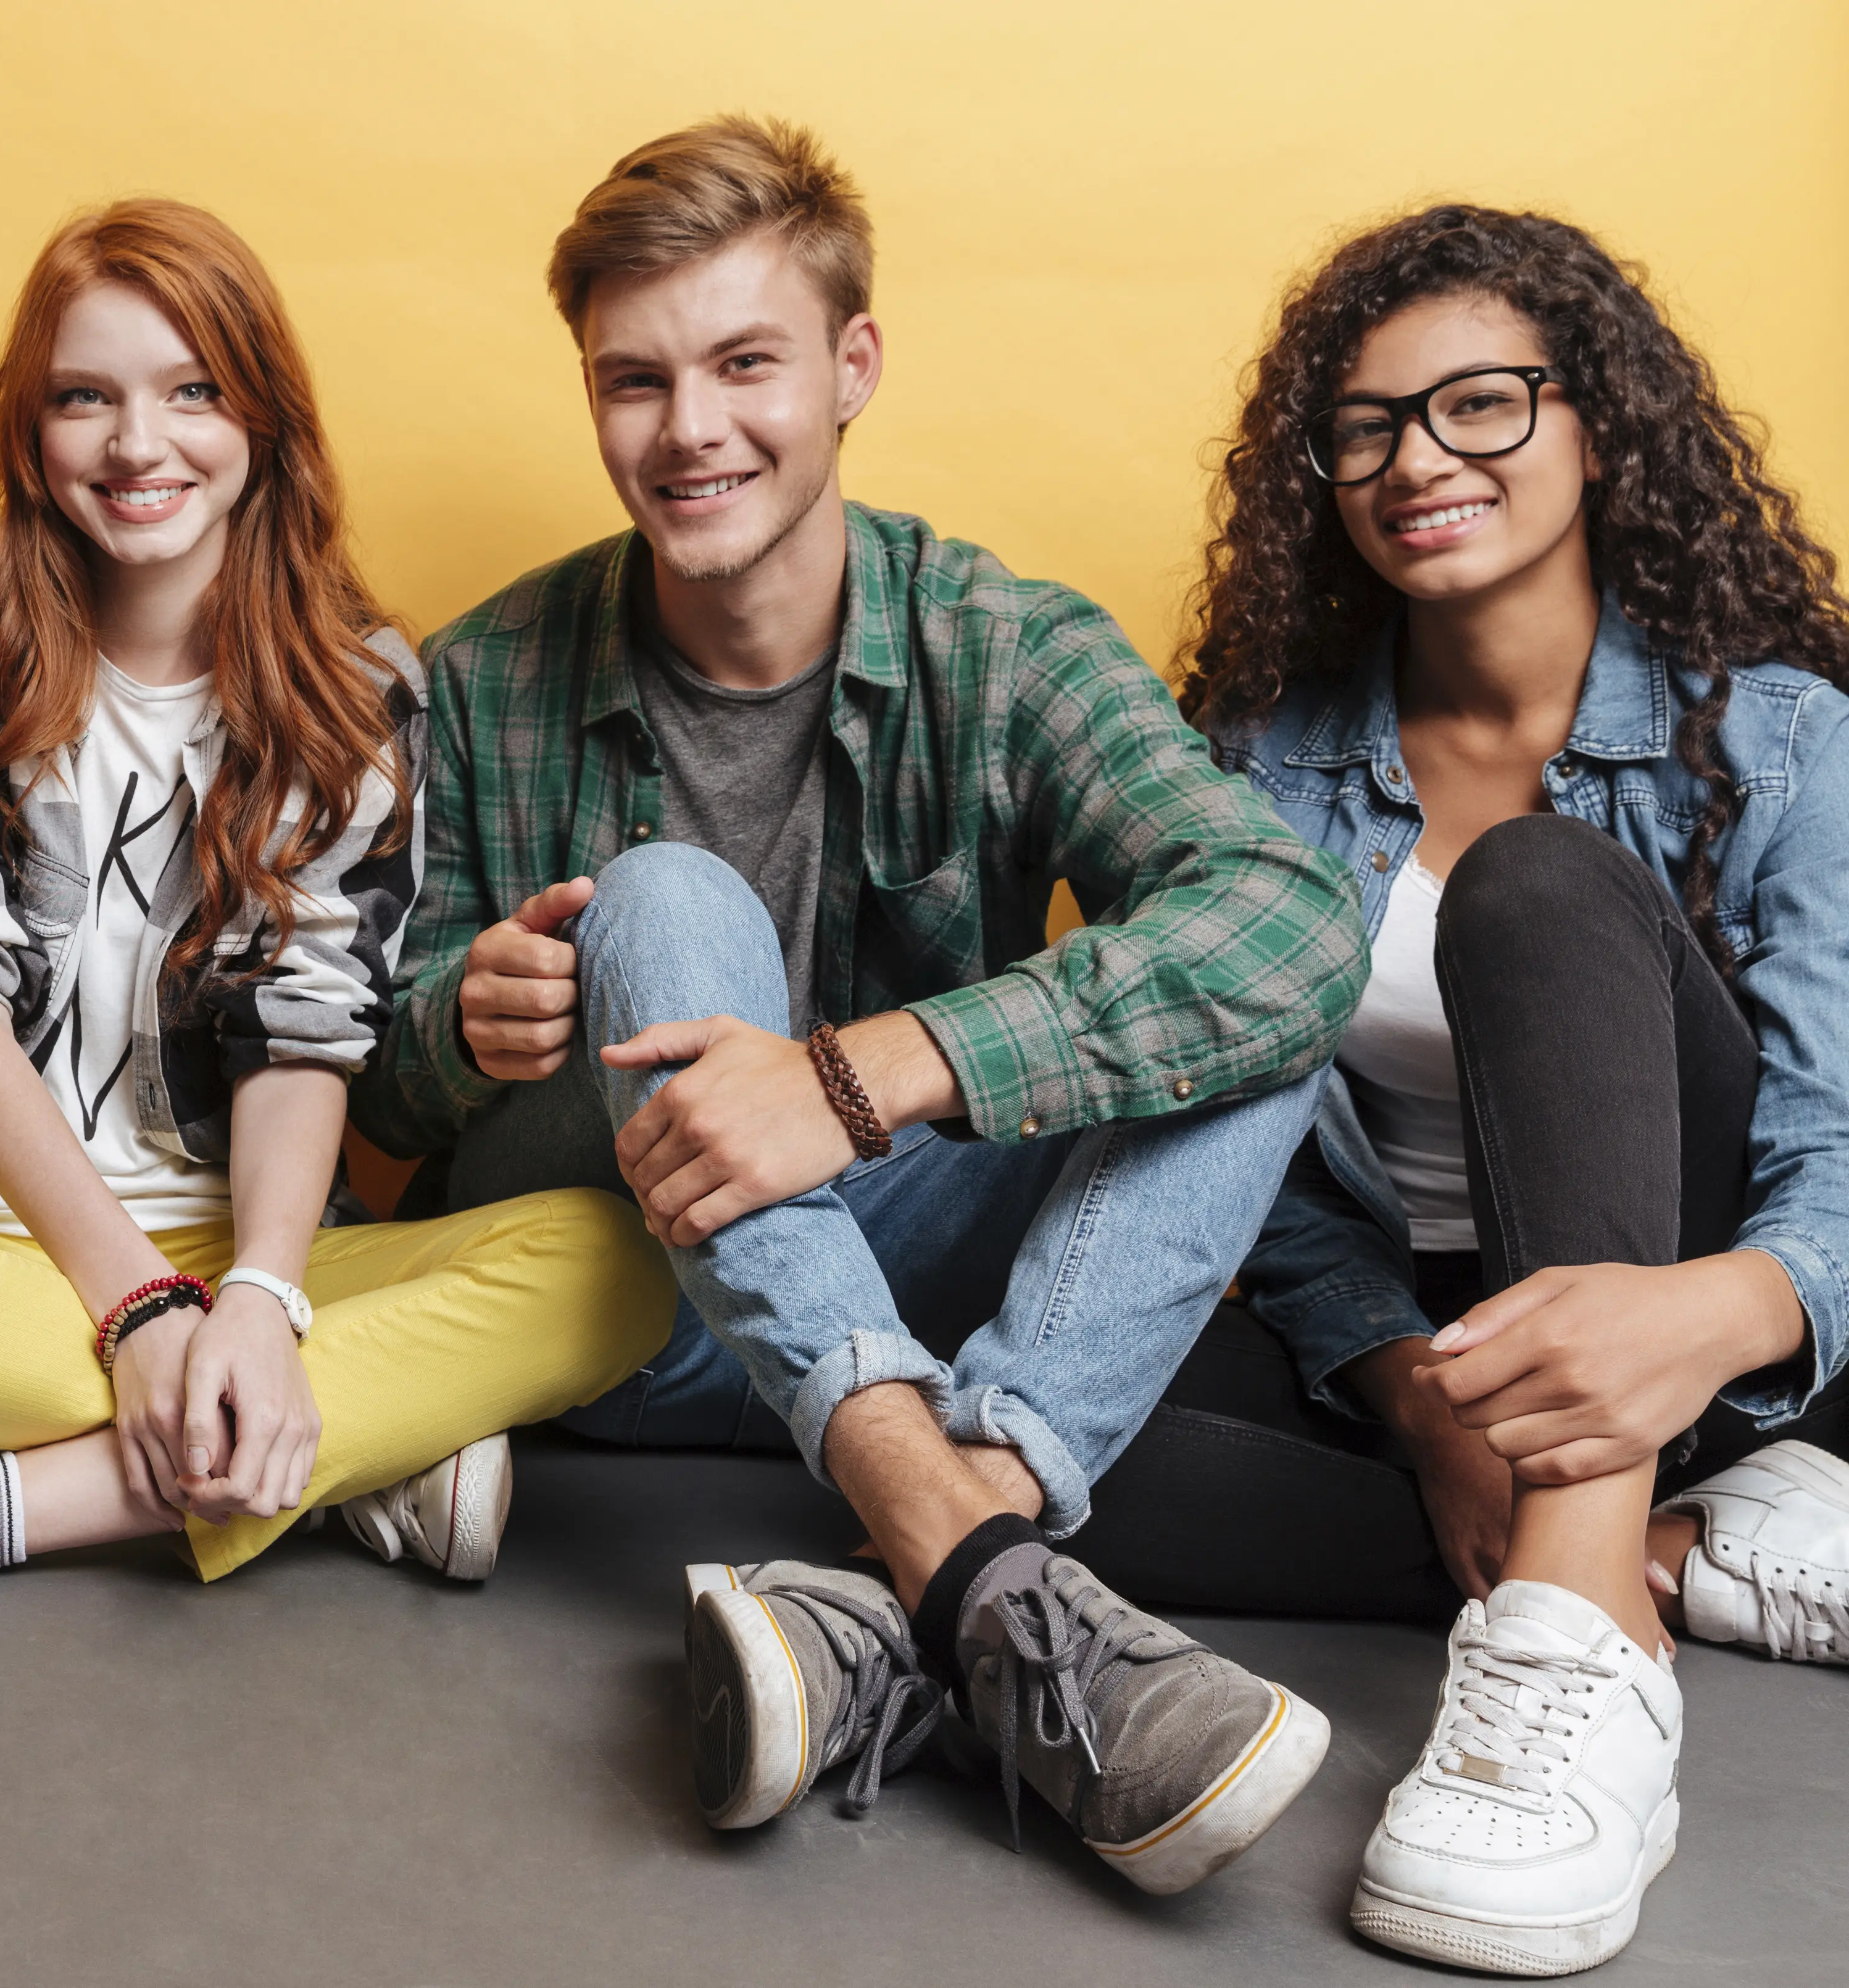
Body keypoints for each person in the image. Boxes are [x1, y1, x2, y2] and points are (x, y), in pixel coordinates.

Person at [346, 117, 1371, 1891]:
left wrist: (864, 1072)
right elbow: (362, 1092)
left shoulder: (1003, 642)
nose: (691, 430)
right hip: (620, 1305)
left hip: (905, 1300)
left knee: (1261, 995)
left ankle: (926, 1562)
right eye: (635, 379)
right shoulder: (488, 675)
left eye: (747, 362)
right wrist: (462, 1020)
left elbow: (1284, 921)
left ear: (852, 367)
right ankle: (972, 1552)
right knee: (665, 894)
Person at [0, 201, 671, 1634]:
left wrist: (256, 1299)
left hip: (276, 1259)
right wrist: (137, 1313)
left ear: (264, 417)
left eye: (194, 391)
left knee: (620, 1264)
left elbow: (305, 1029)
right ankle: (344, 1455)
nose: (142, 446)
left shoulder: (355, 680)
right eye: (88, 398)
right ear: (30, 429)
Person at [1184, 204, 1849, 1976]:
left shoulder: (1785, 734)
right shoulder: (1250, 760)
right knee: (1030, 1458)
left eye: (1481, 403)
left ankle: (1573, 1646)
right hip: (1435, 1343)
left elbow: (1837, 1133)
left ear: (1598, 425)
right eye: (1369, 425)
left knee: (1539, 881)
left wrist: (1720, 1307)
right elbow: (1254, 1157)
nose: (1419, 460)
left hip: (1717, 1303)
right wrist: (1419, 1394)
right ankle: (1702, 1539)